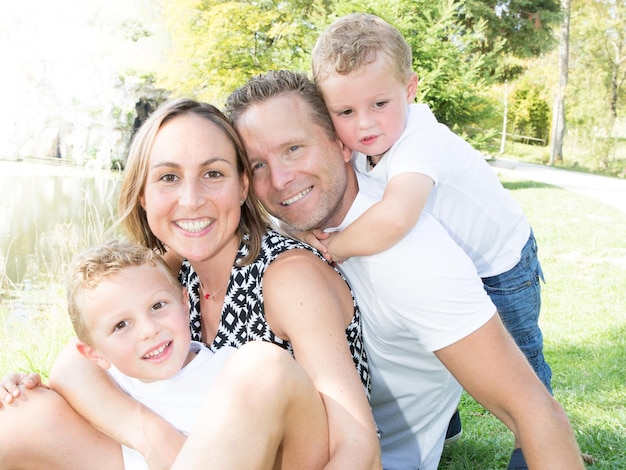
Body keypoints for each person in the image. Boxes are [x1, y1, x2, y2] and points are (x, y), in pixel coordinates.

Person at [224, 69, 584, 470]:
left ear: (342, 145)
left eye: (294, 149)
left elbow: (534, 412)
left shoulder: (410, 257)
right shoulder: (286, 223)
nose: (279, 179)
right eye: (258, 165)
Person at [0, 100, 381, 469]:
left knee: (262, 365)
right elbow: (75, 364)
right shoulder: (171, 268)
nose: (191, 199)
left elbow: (359, 449)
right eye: (169, 177)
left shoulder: (287, 275)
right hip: (195, 453)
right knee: (22, 414)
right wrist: (153, 437)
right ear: (143, 196)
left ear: (243, 185)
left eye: (213, 173)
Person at [308, 13, 552, 465]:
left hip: (500, 265)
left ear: (410, 89)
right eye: (345, 112)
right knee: (437, 333)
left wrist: (337, 247)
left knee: (518, 362)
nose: (365, 124)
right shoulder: (368, 145)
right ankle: (448, 419)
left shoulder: (421, 139)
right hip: (451, 259)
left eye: (380, 103)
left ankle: (537, 439)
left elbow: (396, 216)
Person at [66, 238, 240, 469]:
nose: (149, 330)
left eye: (157, 306)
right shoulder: (109, 387)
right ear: (94, 354)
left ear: (184, 302)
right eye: (121, 325)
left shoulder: (231, 373)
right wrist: (15, 386)